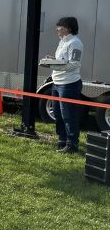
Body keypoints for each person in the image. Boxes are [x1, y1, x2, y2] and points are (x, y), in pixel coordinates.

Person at [41, 16, 83, 153]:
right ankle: (62, 140)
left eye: (60, 26)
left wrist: (53, 65)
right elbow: (63, 60)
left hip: (69, 84)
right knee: (58, 114)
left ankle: (72, 145)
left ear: (68, 28)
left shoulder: (75, 43)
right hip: (57, 83)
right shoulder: (62, 42)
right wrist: (53, 60)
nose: (57, 29)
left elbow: (74, 64)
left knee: (69, 115)